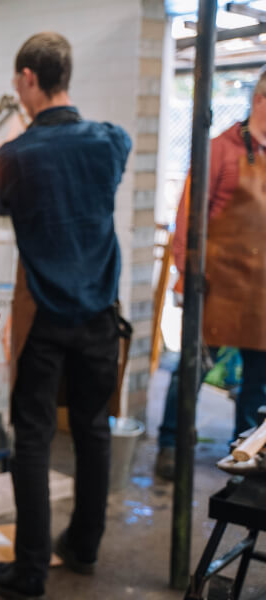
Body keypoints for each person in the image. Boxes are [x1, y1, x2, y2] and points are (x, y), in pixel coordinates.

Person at [0, 32, 131, 599]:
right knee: (94, 430)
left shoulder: (15, 155)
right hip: (100, 313)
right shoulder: (111, 141)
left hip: (44, 317)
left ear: (28, 78)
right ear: (64, 75)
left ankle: (30, 572)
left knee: (34, 437)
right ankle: (84, 546)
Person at [154, 69, 266, 480]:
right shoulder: (219, 149)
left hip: (261, 292)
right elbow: (187, 218)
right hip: (217, 287)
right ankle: (170, 443)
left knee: (257, 385)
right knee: (192, 370)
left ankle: (244, 451)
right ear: (261, 103)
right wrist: (187, 275)